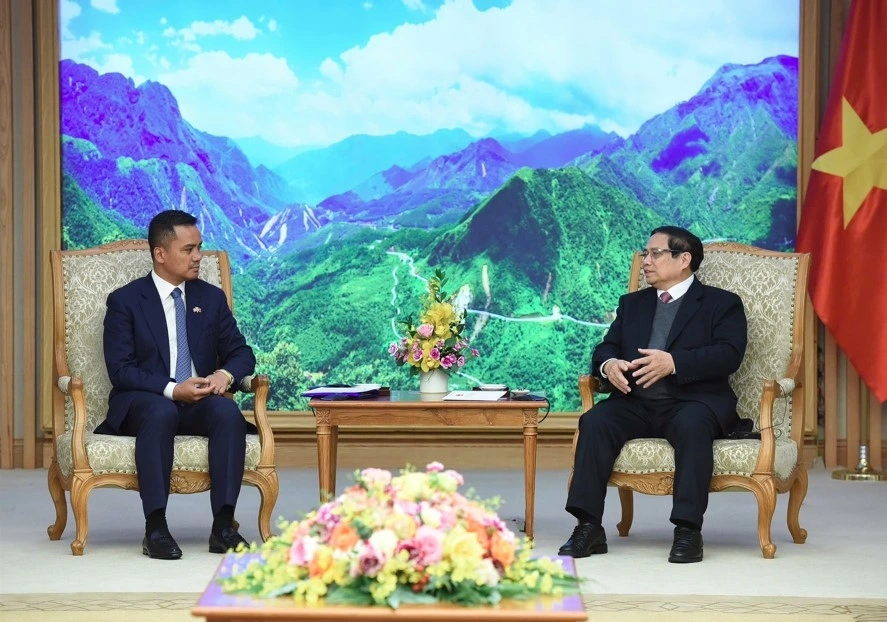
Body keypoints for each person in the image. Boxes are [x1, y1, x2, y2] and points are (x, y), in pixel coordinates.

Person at [559, 226, 747, 563]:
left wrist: (674, 363)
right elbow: (606, 348)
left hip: (692, 402)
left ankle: (688, 530)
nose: (645, 261)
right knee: (596, 421)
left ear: (684, 259)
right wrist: (610, 365)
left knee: (693, 425)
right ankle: (588, 526)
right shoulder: (633, 304)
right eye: (645, 253)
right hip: (635, 402)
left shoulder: (721, 303)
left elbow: (728, 354)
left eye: (655, 254)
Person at [97, 209, 257, 560]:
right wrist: (173, 389)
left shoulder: (210, 298)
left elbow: (242, 353)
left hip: (197, 402)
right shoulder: (125, 301)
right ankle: (155, 528)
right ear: (160, 253)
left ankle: (224, 527)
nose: (198, 256)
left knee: (227, 413)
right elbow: (121, 371)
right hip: (146, 403)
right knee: (161, 412)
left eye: (199, 247)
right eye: (188, 250)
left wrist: (224, 376)